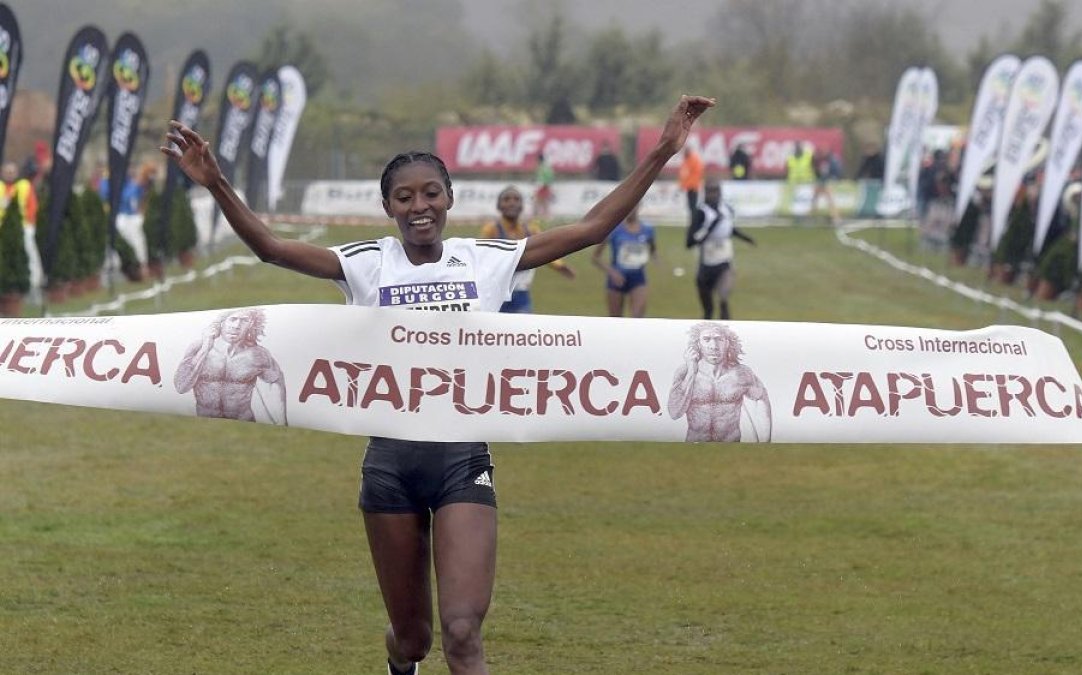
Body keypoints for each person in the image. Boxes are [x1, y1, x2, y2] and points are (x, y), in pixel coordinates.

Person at [160, 93, 715, 675]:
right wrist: (217, 183)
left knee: (463, 633)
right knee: (413, 639)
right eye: (404, 197)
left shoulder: (486, 260)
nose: (419, 206)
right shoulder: (366, 264)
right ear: (387, 207)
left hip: (462, 461)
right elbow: (272, 250)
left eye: (430, 193)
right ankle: (400, 660)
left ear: (449, 198)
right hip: (389, 467)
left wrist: (661, 152)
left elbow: (592, 228)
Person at [173, 308, 288, 424]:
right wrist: (205, 349)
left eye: (244, 320)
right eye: (233, 319)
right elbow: (181, 387)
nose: (237, 326)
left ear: (251, 324)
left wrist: (282, 423)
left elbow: (275, 383)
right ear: (221, 323)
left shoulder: (258, 354)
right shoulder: (198, 348)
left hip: (243, 423)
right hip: (205, 424)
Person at [667, 321, 772, 442]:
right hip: (695, 445)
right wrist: (691, 372)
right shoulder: (684, 372)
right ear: (698, 344)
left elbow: (761, 397)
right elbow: (674, 413)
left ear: (727, 343)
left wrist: (765, 441)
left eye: (719, 339)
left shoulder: (741, 373)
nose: (713, 346)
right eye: (706, 339)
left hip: (731, 446)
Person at [478, 186, 575, 313]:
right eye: (506, 199)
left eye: (516, 199)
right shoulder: (492, 230)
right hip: (496, 293)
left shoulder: (530, 230)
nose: (512, 203)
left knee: (523, 325)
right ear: (499, 205)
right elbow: (481, 255)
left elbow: (545, 249)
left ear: (522, 206)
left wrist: (560, 266)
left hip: (521, 294)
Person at [686, 177, 756, 320]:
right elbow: (690, 242)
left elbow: (728, 229)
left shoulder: (727, 209)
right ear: (705, 193)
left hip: (724, 262)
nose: (713, 195)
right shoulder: (701, 213)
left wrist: (746, 238)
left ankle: (727, 327)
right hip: (706, 265)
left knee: (724, 299)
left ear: (720, 192)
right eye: (710, 191)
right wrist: (710, 226)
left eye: (716, 191)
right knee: (708, 310)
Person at [590, 202, 656, 317]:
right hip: (616, 278)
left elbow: (652, 248)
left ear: (639, 206)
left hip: (638, 278)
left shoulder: (647, 229)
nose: (630, 210)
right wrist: (612, 272)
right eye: (628, 207)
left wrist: (655, 258)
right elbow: (595, 257)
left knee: (638, 319)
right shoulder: (614, 229)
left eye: (633, 206)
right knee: (615, 321)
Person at [1, 161, 43, 297]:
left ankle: (34, 282)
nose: (10, 174)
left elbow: (32, 206)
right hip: (2, 228)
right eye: (7, 172)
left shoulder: (24, 186)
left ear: (17, 173)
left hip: (23, 226)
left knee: (29, 251)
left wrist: (29, 225)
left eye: (12, 172)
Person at [678, 144, 704, 222]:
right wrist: (683, 185)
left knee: (693, 206)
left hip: (693, 187)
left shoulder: (693, 160)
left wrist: (685, 184)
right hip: (690, 187)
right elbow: (684, 174)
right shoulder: (687, 160)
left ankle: (694, 221)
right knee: (691, 206)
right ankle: (693, 220)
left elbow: (693, 174)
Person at [532, 152, 554, 219]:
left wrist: (544, 184)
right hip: (543, 186)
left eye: (537, 159)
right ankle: (545, 216)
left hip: (543, 186)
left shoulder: (543, 167)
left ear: (539, 160)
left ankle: (542, 216)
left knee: (539, 202)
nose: (536, 161)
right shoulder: (543, 167)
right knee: (542, 202)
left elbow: (548, 177)